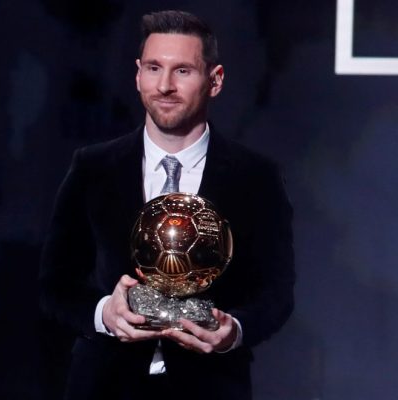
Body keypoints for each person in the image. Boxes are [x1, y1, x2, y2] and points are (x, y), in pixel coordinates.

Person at [39, 10, 295, 400]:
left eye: (183, 71)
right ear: (137, 74)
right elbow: (56, 286)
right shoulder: (92, 168)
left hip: (210, 388)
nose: (164, 86)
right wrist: (105, 313)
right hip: (104, 387)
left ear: (215, 80)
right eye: (154, 68)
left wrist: (234, 331)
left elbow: (276, 293)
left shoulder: (256, 177)